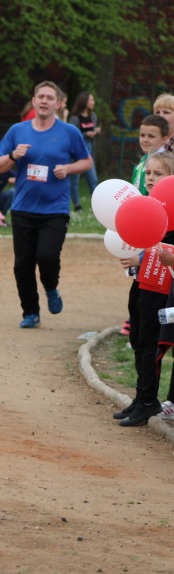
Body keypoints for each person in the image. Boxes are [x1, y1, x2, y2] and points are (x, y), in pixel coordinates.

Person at [0, 80, 92, 329]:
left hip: (55, 209)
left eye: (50, 97)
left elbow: (87, 162)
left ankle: (51, 287)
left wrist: (68, 168)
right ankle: (30, 312)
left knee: (46, 256)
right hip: (23, 207)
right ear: (34, 101)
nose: (45, 101)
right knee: (22, 264)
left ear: (58, 104)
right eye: (41, 97)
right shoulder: (18, 130)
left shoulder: (69, 132)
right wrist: (14, 155)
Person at [117, 151, 174, 427]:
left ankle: (149, 398)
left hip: (162, 285)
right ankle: (140, 398)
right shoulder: (149, 207)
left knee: (151, 339)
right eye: (148, 173)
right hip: (143, 279)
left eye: (158, 174)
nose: (151, 179)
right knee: (138, 335)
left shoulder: (171, 208)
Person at [68, 92, 100, 211]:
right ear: (85, 102)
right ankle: (77, 205)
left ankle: (97, 205)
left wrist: (95, 131)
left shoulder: (93, 116)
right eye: (91, 100)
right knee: (74, 180)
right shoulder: (75, 118)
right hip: (78, 151)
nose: (93, 102)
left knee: (93, 179)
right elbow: (73, 136)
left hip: (89, 150)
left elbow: (93, 129)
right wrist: (87, 134)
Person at [130, 114, 169, 195]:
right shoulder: (140, 164)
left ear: (164, 139)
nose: (145, 140)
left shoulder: (168, 163)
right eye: (142, 135)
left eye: (151, 136)